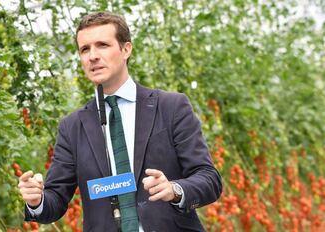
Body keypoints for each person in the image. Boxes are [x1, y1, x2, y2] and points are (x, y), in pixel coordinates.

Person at [18, 11, 222, 232]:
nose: (92, 56)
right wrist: (36, 200)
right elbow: (55, 200)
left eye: (102, 45)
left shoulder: (171, 107)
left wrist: (174, 189)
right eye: (84, 49)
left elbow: (209, 179)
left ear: (126, 49)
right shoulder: (72, 127)